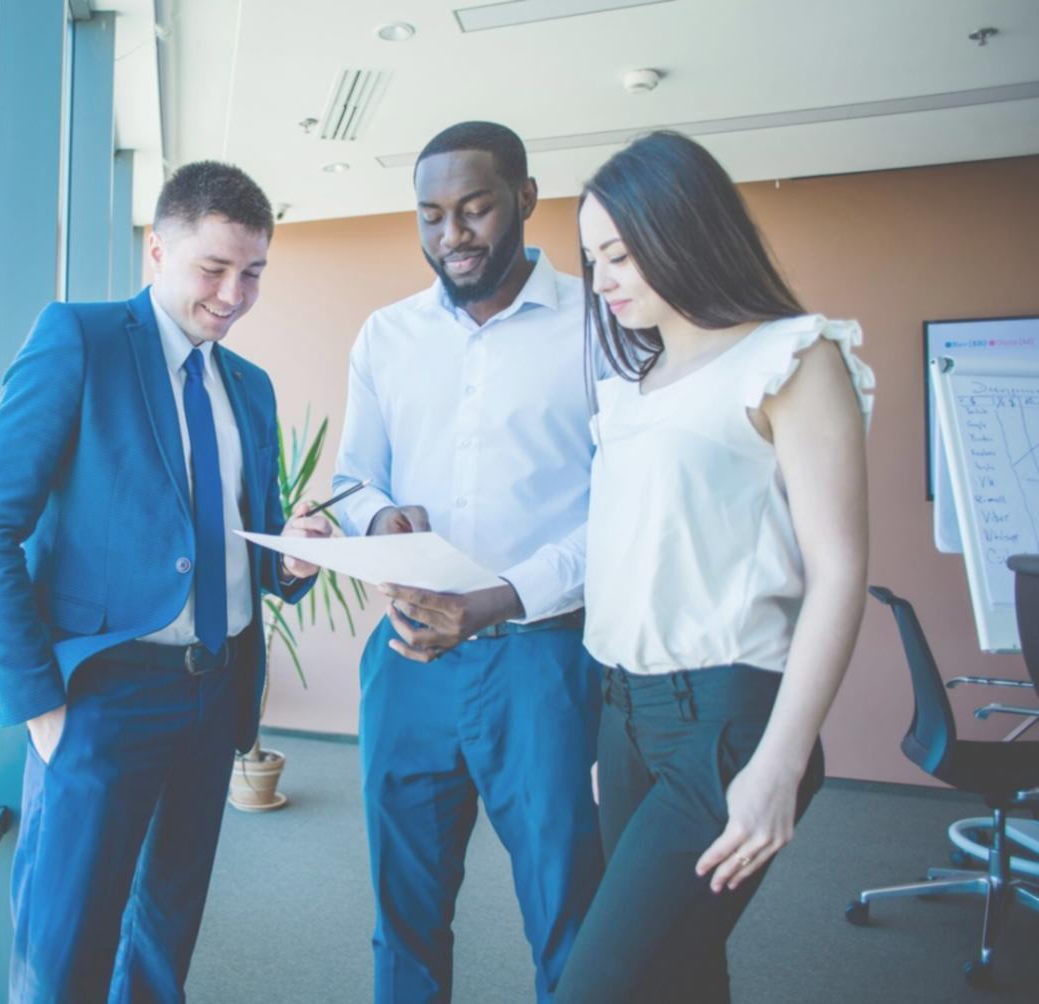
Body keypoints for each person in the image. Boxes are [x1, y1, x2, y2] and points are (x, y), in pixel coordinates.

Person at [0, 161, 328, 1003]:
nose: (233, 295)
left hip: (215, 690)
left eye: (253, 273)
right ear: (157, 250)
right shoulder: (79, 340)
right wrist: (40, 705)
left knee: (164, 940)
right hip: (103, 696)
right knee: (64, 954)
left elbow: (246, 540)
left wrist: (292, 556)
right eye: (213, 268)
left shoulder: (249, 386)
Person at [555, 130, 873, 1003]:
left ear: (683, 230)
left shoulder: (790, 357)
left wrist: (779, 762)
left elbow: (838, 573)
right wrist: (617, 732)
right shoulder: (634, 387)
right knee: (681, 975)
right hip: (626, 716)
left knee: (602, 986)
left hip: (727, 726)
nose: (602, 279)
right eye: (592, 260)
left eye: (620, 254)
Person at [332, 121, 605, 1003]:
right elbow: (350, 479)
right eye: (430, 215)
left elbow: (622, 510)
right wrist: (378, 517)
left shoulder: (598, 324)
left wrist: (501, 598)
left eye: (474, 208)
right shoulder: (386, 335)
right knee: (403, 911)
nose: (450, 234)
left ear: (524, 199)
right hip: (408, 656)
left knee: (567, 910)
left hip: (544, 660)